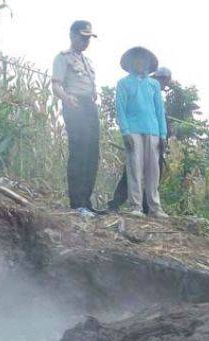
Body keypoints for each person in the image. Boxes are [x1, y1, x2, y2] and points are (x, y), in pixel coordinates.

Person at [52, 20, 100, 218]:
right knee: (79, 152)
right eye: (82, 37)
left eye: (88, 38)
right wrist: (67, 98)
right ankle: (77, 203)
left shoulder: (87, 61)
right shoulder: (62, 58)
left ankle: (87, 202)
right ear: (72, 35)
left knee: (92, 154)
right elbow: (56, 85)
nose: (85, 41)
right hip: (74, 105)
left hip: (89, 106)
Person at [107, 67, 173, 213]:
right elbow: (121, 109)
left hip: (153, 132)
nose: (165, 85)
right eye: (165, 81)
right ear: (160, 77)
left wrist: (163, 135)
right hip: (134, 131)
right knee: (134, 169)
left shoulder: (153, 86)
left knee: (154, 171)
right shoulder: (124, 83)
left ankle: (153, 207)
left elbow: (159, 112)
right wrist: (125, 132)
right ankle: (133, 206)